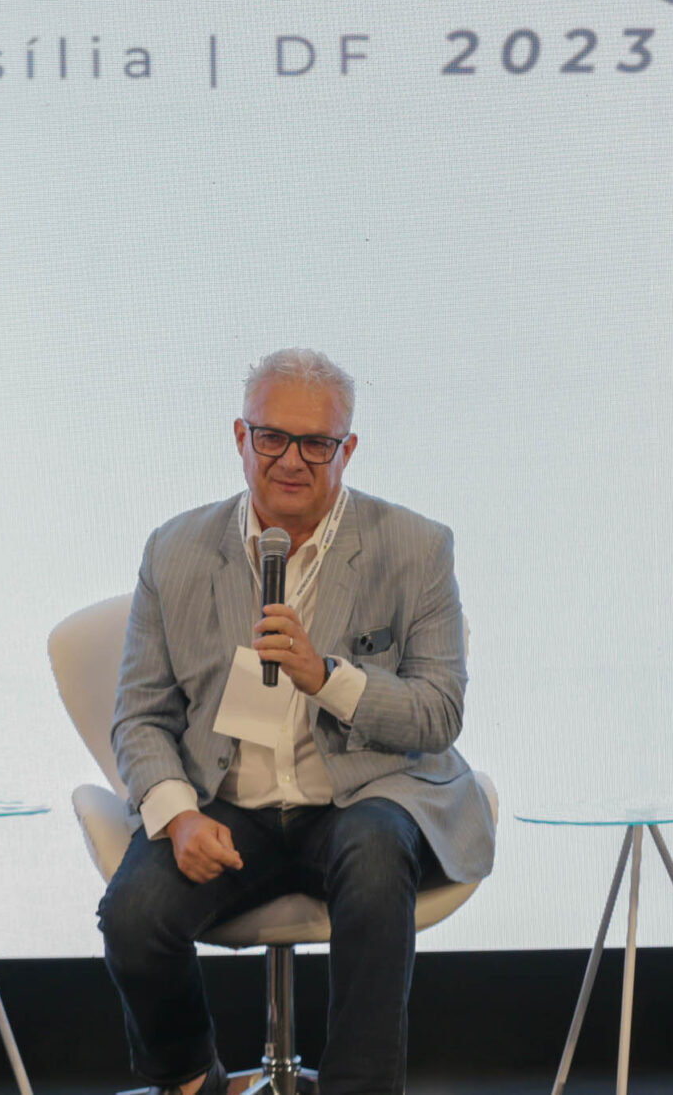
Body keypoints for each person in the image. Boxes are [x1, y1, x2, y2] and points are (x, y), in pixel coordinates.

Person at [98, 349, 493, 1095]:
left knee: (376, 855)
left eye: (316, 444)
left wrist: (328, 678)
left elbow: (439, 712)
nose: (291, 460)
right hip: (227, 802)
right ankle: (194, 1081)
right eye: (272, 437)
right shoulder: (175, 550)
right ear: (240, 438)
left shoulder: (416, 547)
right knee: (134, 915)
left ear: (347, 449)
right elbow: (140, 714)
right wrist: (178, 816)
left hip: (360, 797)